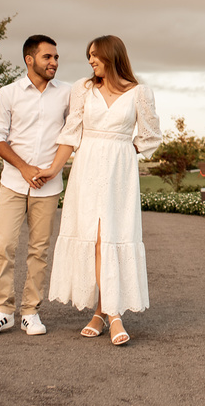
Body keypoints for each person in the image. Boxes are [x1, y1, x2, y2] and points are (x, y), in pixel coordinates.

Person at [36, 34, 161, 345]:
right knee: (94, 239)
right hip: (87, 168)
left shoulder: (140, 93)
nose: (90, 60)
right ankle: (107, 313)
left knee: (113, 237)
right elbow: (71, 133)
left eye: (95, 55)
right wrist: (53, 169)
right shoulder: (83, 88)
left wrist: (125, 151)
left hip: (119, 172)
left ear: (112, 55)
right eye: (88, 55)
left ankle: (108, 313)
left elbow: (150, 136)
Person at [0, 34, 71, 337]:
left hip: (49, 185)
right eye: (48, 57)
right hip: (13, 183)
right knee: (4, 245)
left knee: (39, 250)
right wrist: (25, 168)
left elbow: (73, 133)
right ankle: (3, 311)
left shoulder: (68, 94)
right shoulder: (8, 94)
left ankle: (31, 312)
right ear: (29, 59)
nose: (54, 62)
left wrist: (52, 169)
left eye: (56, 57)